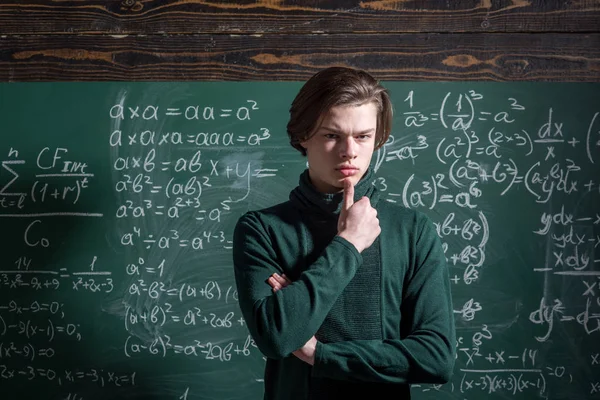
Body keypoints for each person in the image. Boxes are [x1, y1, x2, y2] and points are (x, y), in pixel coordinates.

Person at [232, 66, 456, 399]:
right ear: (303, 136)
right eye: (332, 135)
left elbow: (436, 359)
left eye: (363, 136)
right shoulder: (262, 230)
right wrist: (348, 244)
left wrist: (321, 355)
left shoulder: (411, 230)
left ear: (377, 138)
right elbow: (277, 337)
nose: (349, 150)